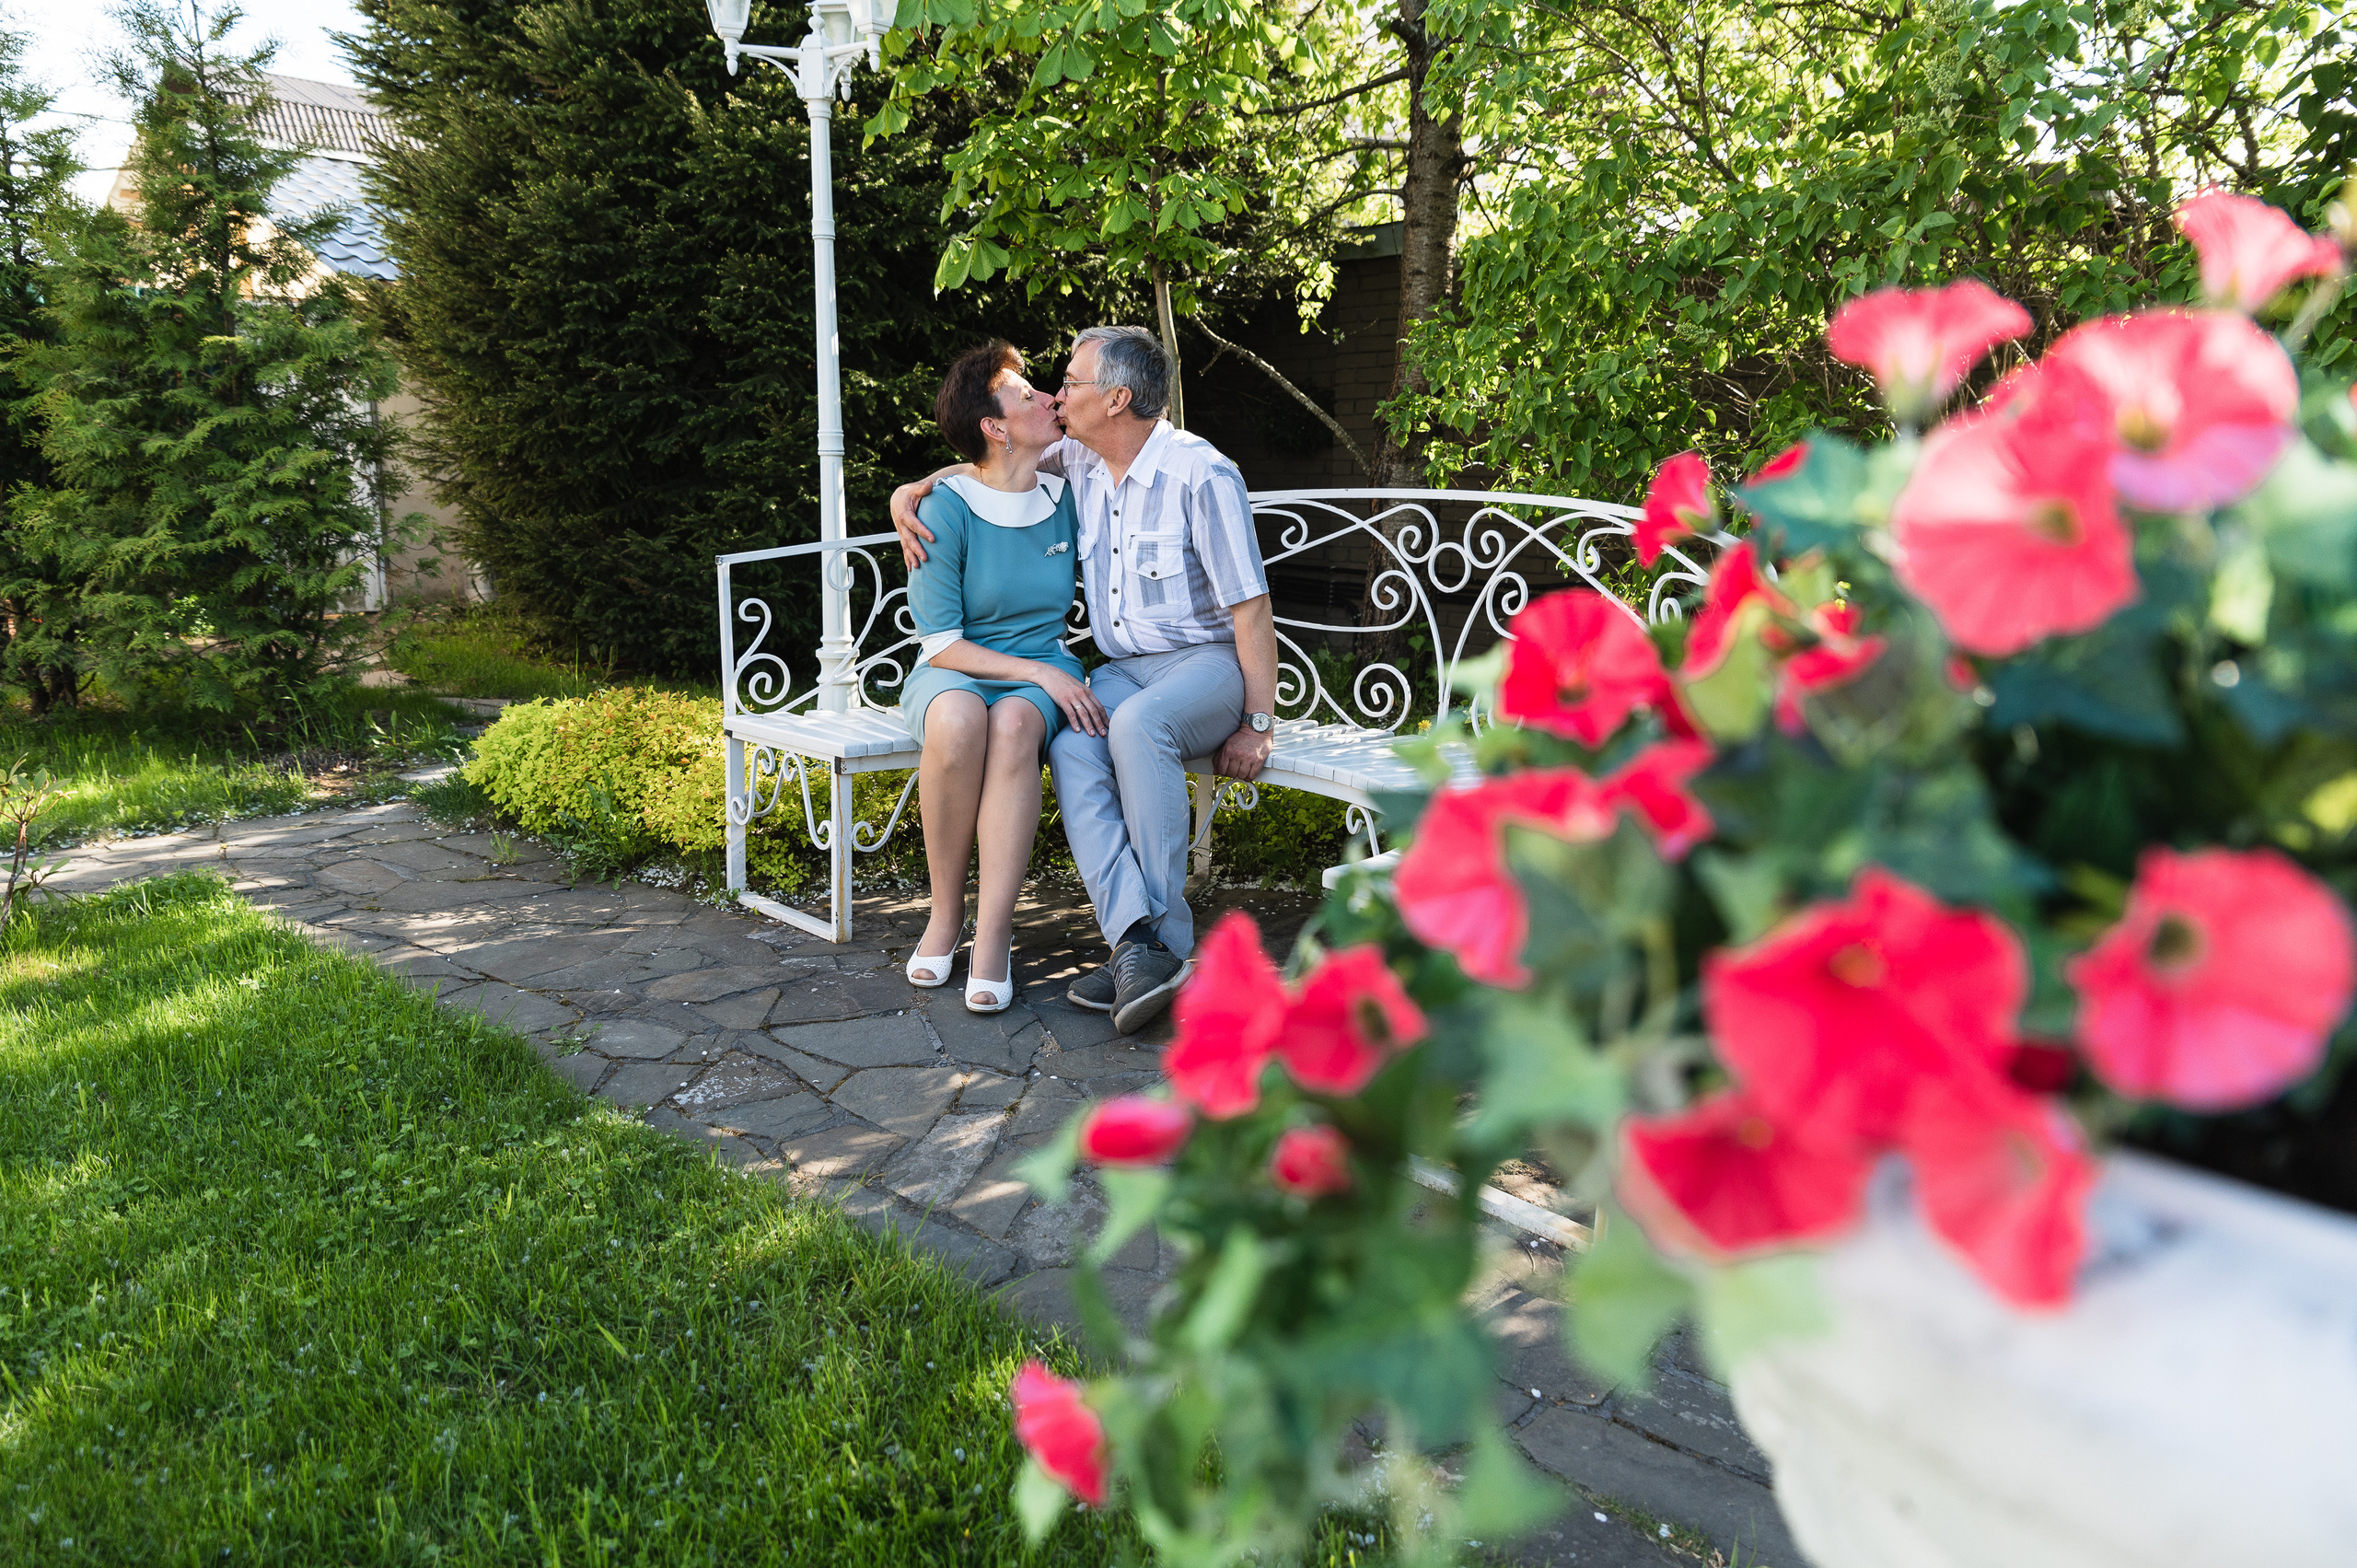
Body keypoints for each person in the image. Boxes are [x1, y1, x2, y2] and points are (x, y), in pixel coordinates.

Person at [893, 325, 1278, 1035]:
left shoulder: (1200, 472)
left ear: (1118, 397)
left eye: (1070, 383)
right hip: (1125, 668)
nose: (1057, 392)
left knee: (1133, 726)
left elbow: (1250, 607)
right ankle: (1131, 938)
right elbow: (985, 466)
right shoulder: (1083, 461)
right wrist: (910, 489)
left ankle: (1161, 942)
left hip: (1205, 666)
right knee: (1074, 739)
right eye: (1053, 386)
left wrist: (1259, 721)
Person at [899, 341, 1109, 1015]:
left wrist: (1041, 676)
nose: (1049, 397)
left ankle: (993, 934)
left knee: (1015, 723)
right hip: (956, 668)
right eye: (1025, 395)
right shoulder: (946, 508)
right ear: (994, 426)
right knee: (961, 720)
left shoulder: (1065, 488)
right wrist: (1038, 673)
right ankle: (944, 915)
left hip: (1035, 674)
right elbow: (943, 643)